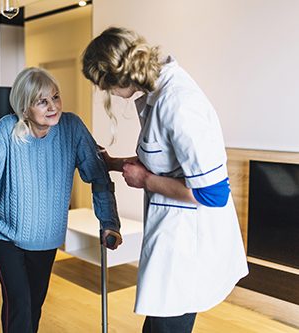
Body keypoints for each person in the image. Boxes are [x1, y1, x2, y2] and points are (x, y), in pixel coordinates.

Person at [81, 27, 248, 333]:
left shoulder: (179, 103)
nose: (108, 95)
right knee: (158, 325)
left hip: (189, 244)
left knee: (167, 325)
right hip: (173, 237)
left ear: (115, 77)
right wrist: (113, 163)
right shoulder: (158, 94)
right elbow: (165, 163)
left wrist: (145, 180)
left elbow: (214, 194)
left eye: (104, 87)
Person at [0, 67, 122, 333]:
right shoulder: (6, 130)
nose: (53, 106)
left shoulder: (72, 128)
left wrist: (109, 222)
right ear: (24, 108)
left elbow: (98, 176)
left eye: (56, 97)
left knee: (32, 306)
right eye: (42, 101)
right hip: (4, 236)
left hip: (46, 237)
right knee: (21, 304)